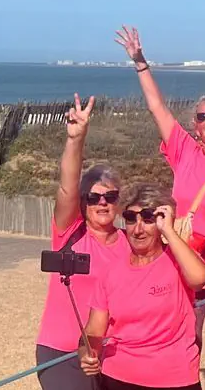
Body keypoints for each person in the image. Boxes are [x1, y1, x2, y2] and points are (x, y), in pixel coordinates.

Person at [116, 26, 205, 380]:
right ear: (195, 127)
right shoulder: (184, 152)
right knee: (187, 339)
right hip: (184, 264)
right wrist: (140, 63)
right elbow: (157, 108)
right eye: (202, 117)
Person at [36, 94, 131, 390]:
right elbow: (67, 185)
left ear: (119, 202)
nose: (102, 203)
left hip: (114, 352)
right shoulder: (70, 233)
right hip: (62, 353)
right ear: (82, 202)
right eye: (93, 197)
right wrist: (76, 138)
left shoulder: (131, 243)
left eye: (110, 197)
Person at [78, 184, 205, 390]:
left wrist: (169, 231)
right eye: (131, 218)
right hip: (117, 377)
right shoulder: (111, 271)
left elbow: (200, 278)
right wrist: (86, 352)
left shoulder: (178, 259)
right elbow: (94, 330)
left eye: (148, 219)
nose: (138, 229)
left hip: (174, 380)